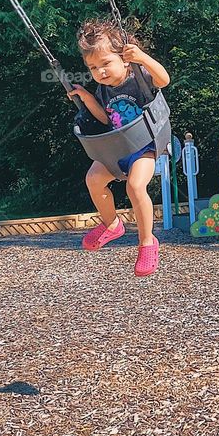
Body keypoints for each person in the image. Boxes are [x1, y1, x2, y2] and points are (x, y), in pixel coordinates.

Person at [66, 20, 170, 277]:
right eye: (93, 67)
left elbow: (164, 80)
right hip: (118, 148)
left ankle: (147, 242)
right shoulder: (103, 90)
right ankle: (112, 224)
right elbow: (104, 119)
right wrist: (88, 98)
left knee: (135, 186)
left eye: (105, 63)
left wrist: (142, 57)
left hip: (145, 145)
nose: (100, 72)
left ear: (124, 59)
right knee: (93, 179)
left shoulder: (139, 76)